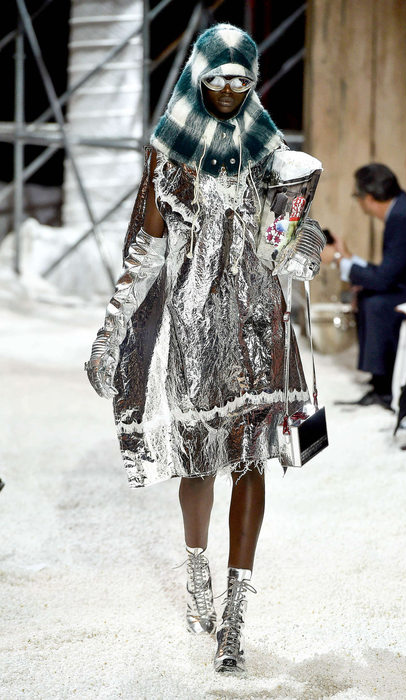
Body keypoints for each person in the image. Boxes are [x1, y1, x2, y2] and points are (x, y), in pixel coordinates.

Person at [85, 24, 321, 674]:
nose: (228, 90)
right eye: (216, 77)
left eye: (241, 79)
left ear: (253, 80)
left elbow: (293, 243)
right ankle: (197, 574)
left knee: (251, 459)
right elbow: (147, 250)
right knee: (197, 461)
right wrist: (111, 333)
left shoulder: (271, 153)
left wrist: (303, 241)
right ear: (197, 76)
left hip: (259, 323)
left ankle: (235, 615)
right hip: (193, 326)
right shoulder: (171, 153)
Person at [328, 163, 406, 408]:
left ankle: (384, 387)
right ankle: (379, 382)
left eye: (357, 196)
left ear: (369, 198)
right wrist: (348, 259)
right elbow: (390, 272)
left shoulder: (402, 217)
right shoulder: (401, 208)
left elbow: (384, 279)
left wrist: (338, 259)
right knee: (368, 293)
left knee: (375, 302)